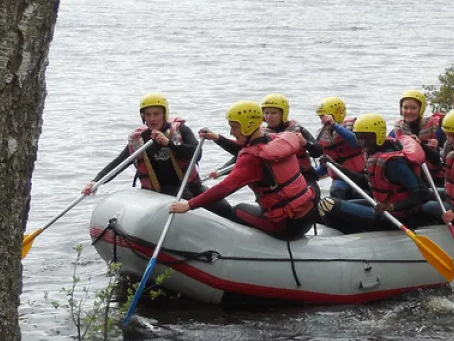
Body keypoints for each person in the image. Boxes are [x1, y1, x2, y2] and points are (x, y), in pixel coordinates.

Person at [169, 101, 316, 240]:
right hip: (307, 217)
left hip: (286, 227)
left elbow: (224, 188)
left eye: (234, 127)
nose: (232, 132)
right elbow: (247, 149)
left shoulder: (251, 158)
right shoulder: (275, 139)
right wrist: (217, 138)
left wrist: (188, 205)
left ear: (248, 125)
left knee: (238, 210)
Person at [84, 93, 235, 221]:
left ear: (165, 114)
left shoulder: (180, 130)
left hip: (190, 189)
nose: (152, 119)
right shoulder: (139, 140)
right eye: (147, 115)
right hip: (159, 195)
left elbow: (197, 154)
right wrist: (95, 182)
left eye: (156, 114)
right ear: (142, 116)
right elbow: (119, 163)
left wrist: (169, 143)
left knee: (225, 209)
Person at [320, 114, 430, 233]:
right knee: (324, 206)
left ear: (379, 136)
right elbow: (364, 182)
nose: (362, 143)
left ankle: (351, 235)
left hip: (398, 217)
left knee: (328, 205)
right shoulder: (374, 153)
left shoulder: (394, 163)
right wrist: (335, 166)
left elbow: (423, 193)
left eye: (367, 138)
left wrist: (392, 206)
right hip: (381, 207)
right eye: (359, 138)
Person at [202, 93, 324, 187]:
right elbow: (241, 154)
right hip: (281, 182)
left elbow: (318, 151)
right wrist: (220, 171)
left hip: (305, 177)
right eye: (266, 113)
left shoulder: (298, 130)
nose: (269, 117)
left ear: (283, 113)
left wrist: (305, 143)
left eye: (273, 113)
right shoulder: (262, 135)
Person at [315, 96, 365, 200]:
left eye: (324, 117)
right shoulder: (322, 137)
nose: (322, 122)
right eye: (321, 118)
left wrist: (334, 125)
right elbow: (325, 168)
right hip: (341, 179)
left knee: (362, 194)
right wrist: (309, 174)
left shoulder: (354, 126)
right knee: (336, 191)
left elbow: (356, 142)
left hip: (361, 176)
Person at [392, 88, 445, 181]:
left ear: (421, 109)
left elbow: (438, 158)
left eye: (413, 108)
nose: (408, 111)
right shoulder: (397, 129)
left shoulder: (435, 127)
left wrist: (420, 145)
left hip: (432, 175)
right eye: (405, 107)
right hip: (410, 176)